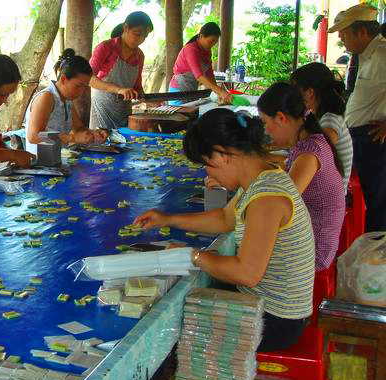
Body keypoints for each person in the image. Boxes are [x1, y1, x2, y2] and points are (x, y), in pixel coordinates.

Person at [134, 108, 315, 352]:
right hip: (262, 301)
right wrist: (168, 219)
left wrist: (192, 255)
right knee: (190, 296)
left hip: (276, 319)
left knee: (172, 326)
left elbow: (247, 273)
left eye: (206, 165)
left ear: (222, 155)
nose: (208, 173)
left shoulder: (266, 198)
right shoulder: (262, 177)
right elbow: (224, 218)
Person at [257, 83, 345, 272]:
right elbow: (287, 165)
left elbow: (283, 201)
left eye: (265, 122)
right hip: (307, 236)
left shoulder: (310, 153)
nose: (266, 130)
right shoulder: (308, 142)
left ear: (281, 118)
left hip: (315, 249)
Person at [328, 3, 386, 232]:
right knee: (369, 201)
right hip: (359, 137)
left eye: (344, 33)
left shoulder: (382, 55)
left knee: (379, 206)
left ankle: (376, 260)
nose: (342, 38)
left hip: (375, 140)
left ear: (362, 31)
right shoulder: (366, 54)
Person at [24, 48, 109, 155]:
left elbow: (78, 128)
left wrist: (93, 133)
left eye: (84, 87)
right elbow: (33, 136)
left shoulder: (67, 100)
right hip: (39, 162)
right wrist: (72, 138)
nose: (81, 91)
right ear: (64, 79)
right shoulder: (46, 97)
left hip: (59, 159)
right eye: (78, 86)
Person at [291, 62, 353, 194]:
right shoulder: (321, 116)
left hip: (329, 196)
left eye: (296, 90)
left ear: (310, 92)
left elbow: (317, 152)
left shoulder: (329, 121)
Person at [89, 11, 153, 129]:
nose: (141, 39)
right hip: (103, 109)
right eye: (138, 33)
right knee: (101, 143)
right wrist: (118, 89)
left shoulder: (139, 55)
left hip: (124, 112)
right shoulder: (106, 47)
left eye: (145, 36)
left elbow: (137, 86)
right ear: (126, 28)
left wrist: (147, 99)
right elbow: (89, 78)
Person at [169, 22, 231, 105]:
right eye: (210, 41)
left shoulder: (207, 51)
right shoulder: (191, 49)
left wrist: (217, 92)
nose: (212, 45)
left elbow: (209, 75)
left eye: (215, 42)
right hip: (178, 91)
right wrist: (220, 92)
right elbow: (199, 76)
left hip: (192, 91)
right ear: (201, 36)